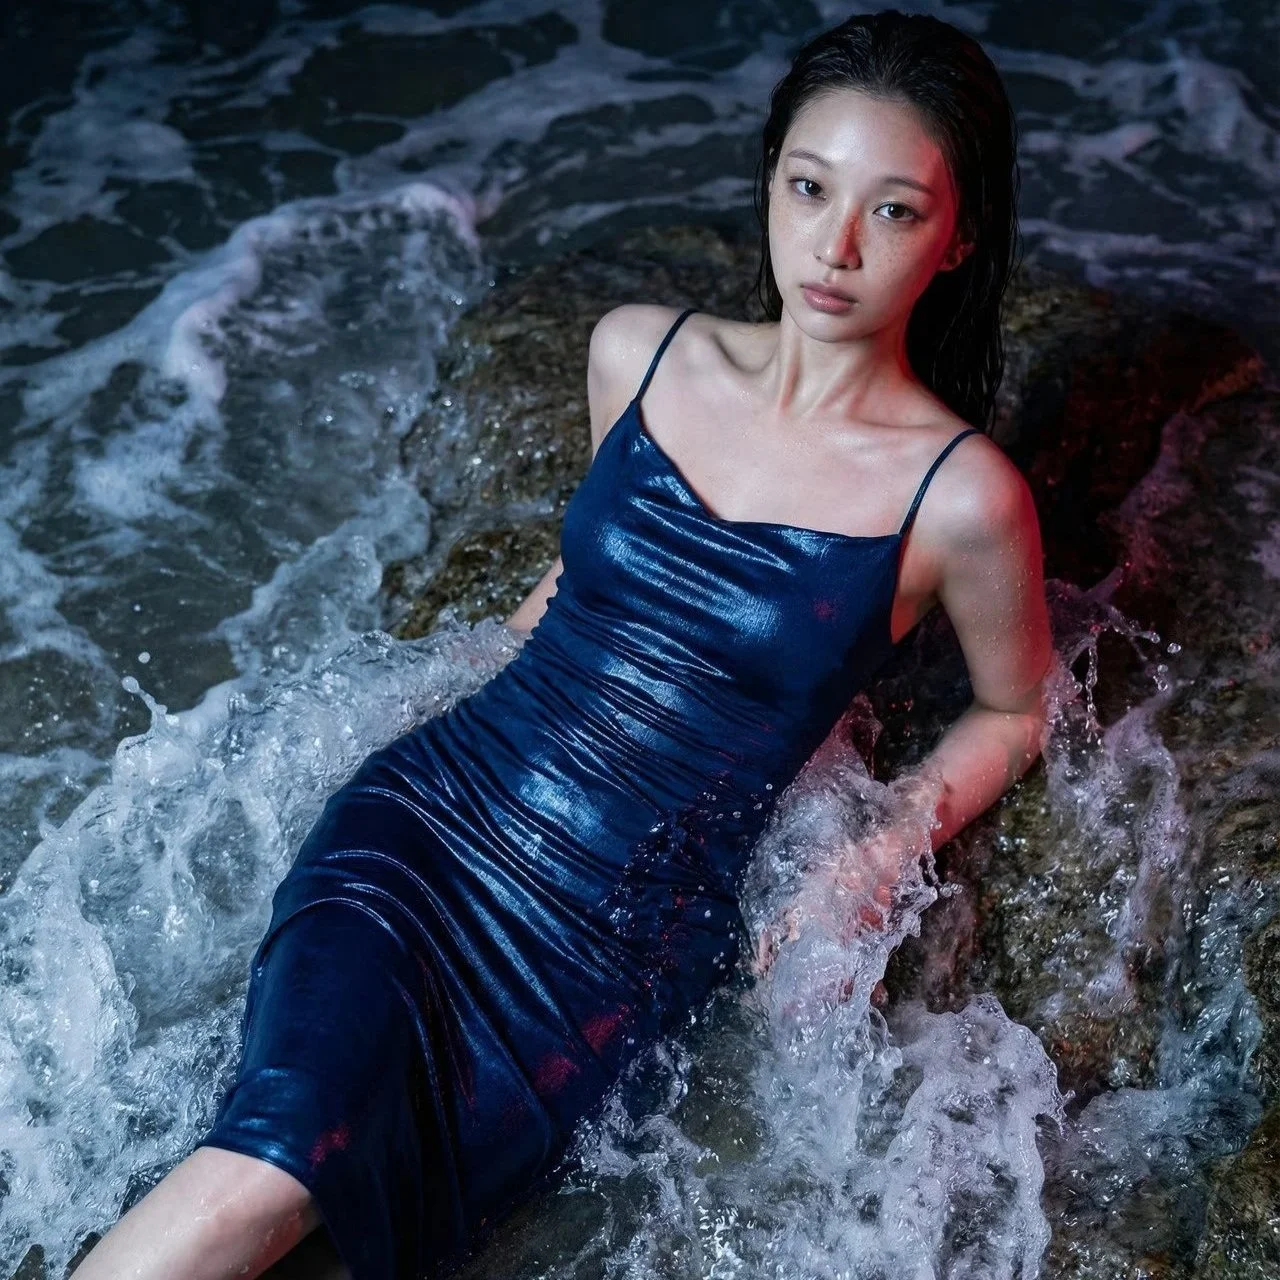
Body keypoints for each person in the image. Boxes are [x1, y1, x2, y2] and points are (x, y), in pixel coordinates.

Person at [74, 9, 1052, 1280]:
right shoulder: (637, 353)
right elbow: (585, 575)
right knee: (273, 1157)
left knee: (325, 1217)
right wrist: (443, 674)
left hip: (610, 939)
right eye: (809, 189)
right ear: (767, 180)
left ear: (957, 238)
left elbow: (1014, 710)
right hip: (427, 826)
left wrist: (874, 848)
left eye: (895, 211)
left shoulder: (962, 499)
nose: (834, 245)